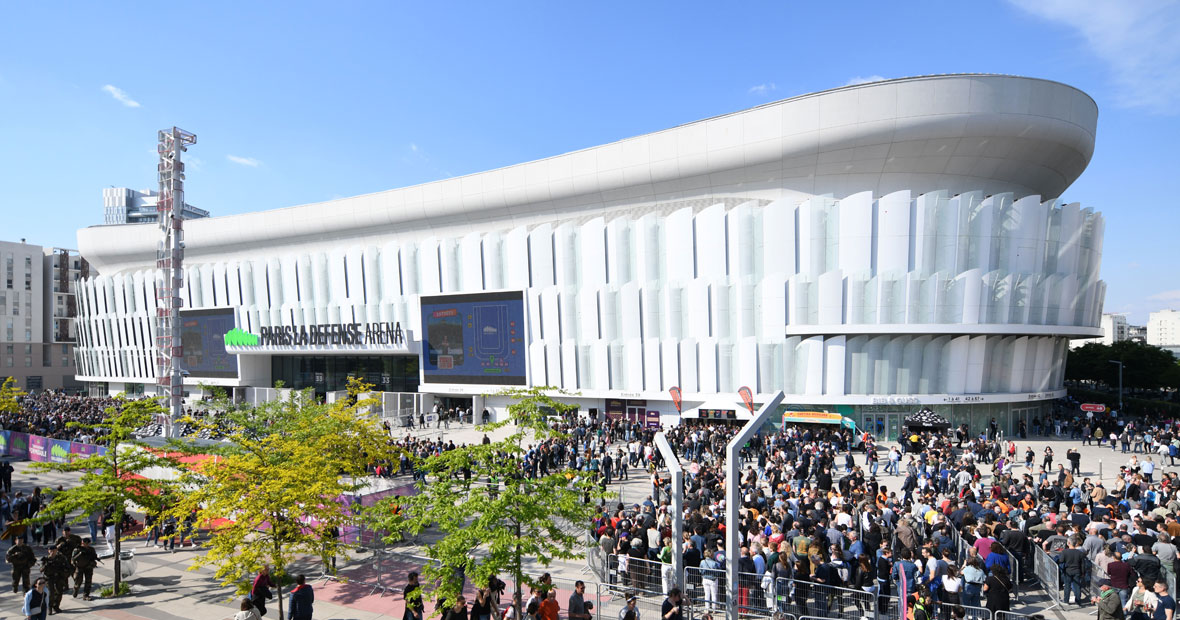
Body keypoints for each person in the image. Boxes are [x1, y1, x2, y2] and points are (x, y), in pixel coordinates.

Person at [39, 546, 71, 615]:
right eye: (51, 550)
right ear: (48, 551)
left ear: (56, 550)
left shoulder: (61, 558)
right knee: (51, 593)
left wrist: (65, 573)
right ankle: (50, 607)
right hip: (49, 578)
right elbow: (41, 570)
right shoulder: (45, 559)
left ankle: (56, 606)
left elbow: (67, 567)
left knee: (59, 592)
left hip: (59, 577)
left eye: (54, 550)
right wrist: (46, 565)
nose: (52, 552)